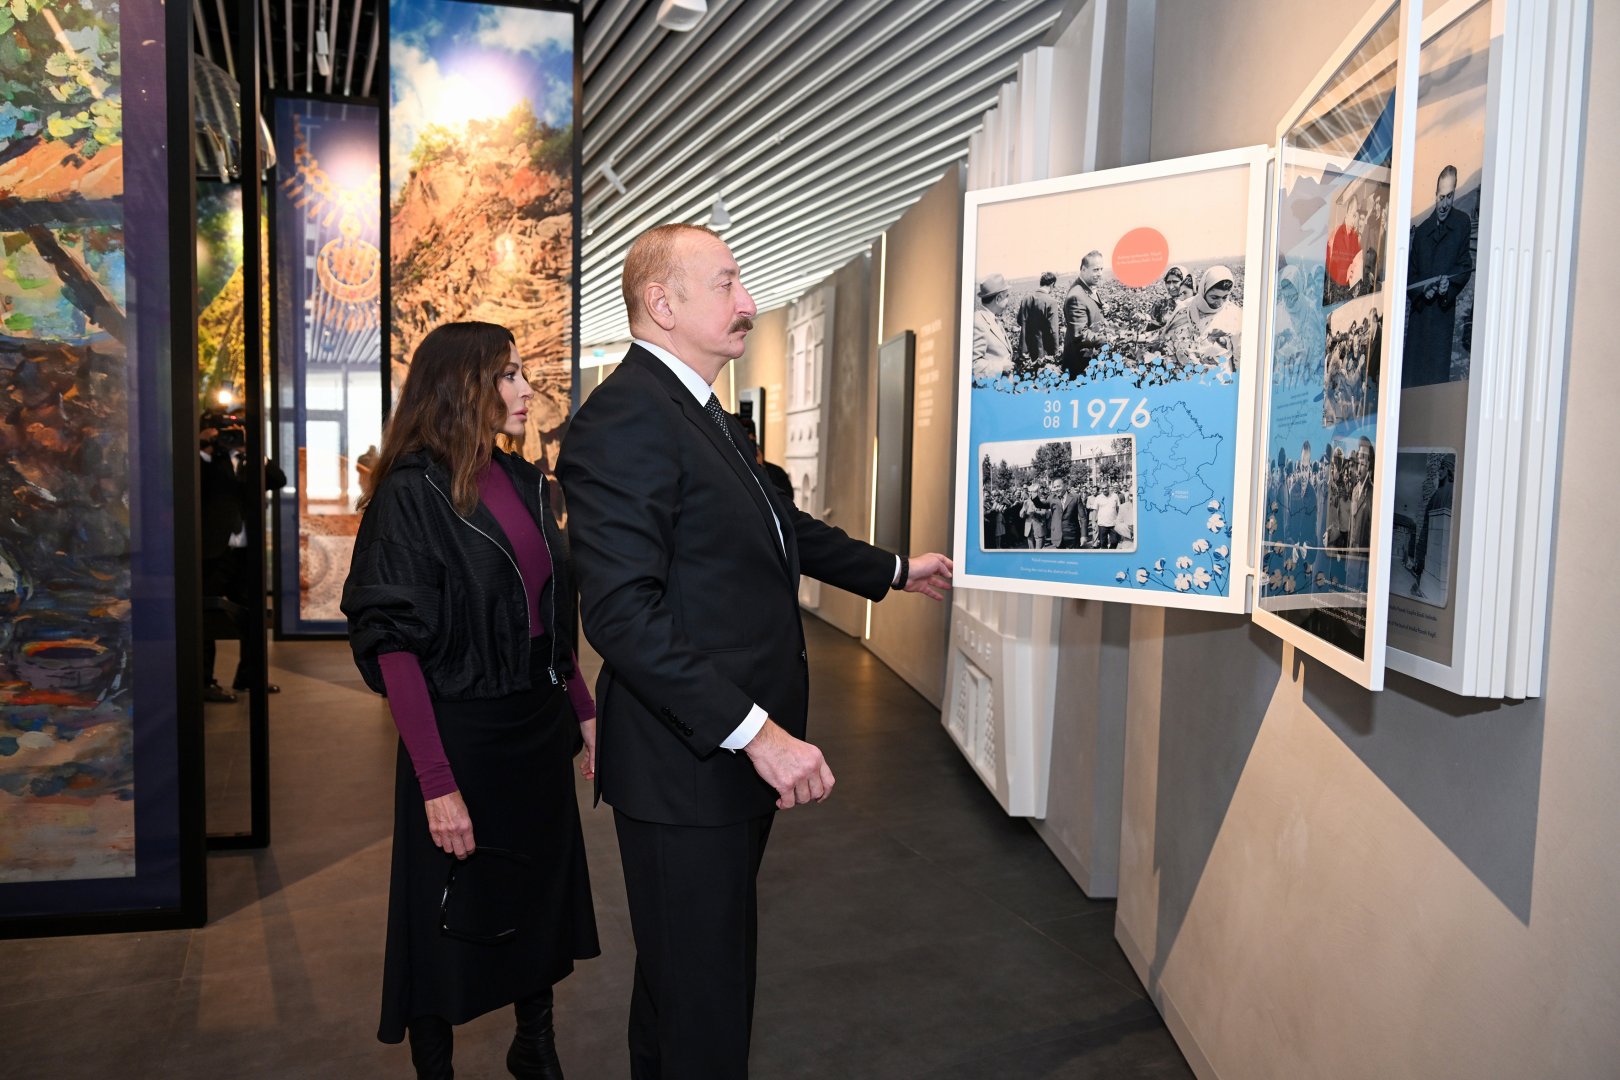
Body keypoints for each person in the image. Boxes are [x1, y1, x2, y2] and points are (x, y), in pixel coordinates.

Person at [555, 223, 953, 1080]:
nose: (749, 304)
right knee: (702, 999)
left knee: (692, 982)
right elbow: (623, 616)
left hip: (720, 761)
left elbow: (779, 528)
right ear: (662, 305)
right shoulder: (624, 421)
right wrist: (760, 734)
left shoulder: (696, 413)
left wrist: (892, 570)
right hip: (687, 764)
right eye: (728, 286)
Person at [341, 322, 601, 1080]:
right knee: (442, 914)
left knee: (535, 895)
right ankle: (436, 1068)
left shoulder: (524, 479)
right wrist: (436, 781)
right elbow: (394, 647)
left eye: (524, 374)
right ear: (463, 386)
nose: (527, 390)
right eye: (510, 375)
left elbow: (551, 616)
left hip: (534, 728)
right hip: (461, 736)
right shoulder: (409, 493)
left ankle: (535, 1046)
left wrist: (583, 710)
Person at [1404, 165, 1474, 389]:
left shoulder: (1462, 223)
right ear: (1435, 195)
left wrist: (1448, 288)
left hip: (1442, 316)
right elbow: (1410, 276)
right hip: (1419, 316)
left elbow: (1464, 264)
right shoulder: (1422, 231)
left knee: (1435, 380)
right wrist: (1423, 290)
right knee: (1413, 380)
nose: (1444, 204)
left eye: (1450, 197)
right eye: (1441, 197)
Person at [1163, 265, 1240, 370]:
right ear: (1204, 291)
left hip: (1219, 377)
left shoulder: (1233, 314)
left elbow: (1240, 352)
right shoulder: (1185, 309)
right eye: (1214, 297)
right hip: (1186, 375)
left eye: (1225, 297)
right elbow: (1168, 338)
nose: (1220, 303)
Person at [1061, 251, 1110, 379]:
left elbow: (1090, 311)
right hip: (1081, 366)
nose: (1099, 274)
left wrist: (1102, 310)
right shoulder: (1076, 296)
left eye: (1101, 269)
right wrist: (1109, 340)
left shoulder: (1088, 287)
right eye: (1095, 270)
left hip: (1091, 359)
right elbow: (1081, 334)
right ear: (1083, 269)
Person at [735, 413, 794, 507]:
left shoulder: (777, 472)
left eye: (749, 440)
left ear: (755, 438)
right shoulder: (730, 471)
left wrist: (759, 469)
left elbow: (786, 504)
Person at [1016, 270, 1063, 371]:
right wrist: (1055, 354)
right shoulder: (1051, 302)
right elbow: (1053, 331)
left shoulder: (1026, 299)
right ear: (1052, 284)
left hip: (1025, 351)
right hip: (1042, 354)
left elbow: (1019, 321)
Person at [972, 273, 1015, 380]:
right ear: (998, 298)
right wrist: (1001, 367)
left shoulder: (991, 318)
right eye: (1007, 296)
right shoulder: (978, 322)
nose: (1008, 301)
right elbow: (973, 364)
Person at [1093, 484, 1122, 549]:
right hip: (1102, 524)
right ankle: (1105, 556)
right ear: (1101, 489)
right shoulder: (1098, 498)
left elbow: (1118, 509)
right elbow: (1095, 511)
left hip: (1113, 524)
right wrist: (1094, 523)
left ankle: (1111, 552)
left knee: (1115, 541)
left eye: (1106, 488)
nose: (1104, 490)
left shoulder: (1115, 496)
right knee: (1103, 544)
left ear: (1108, 488)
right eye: (1103, 488)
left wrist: (1119, 521)